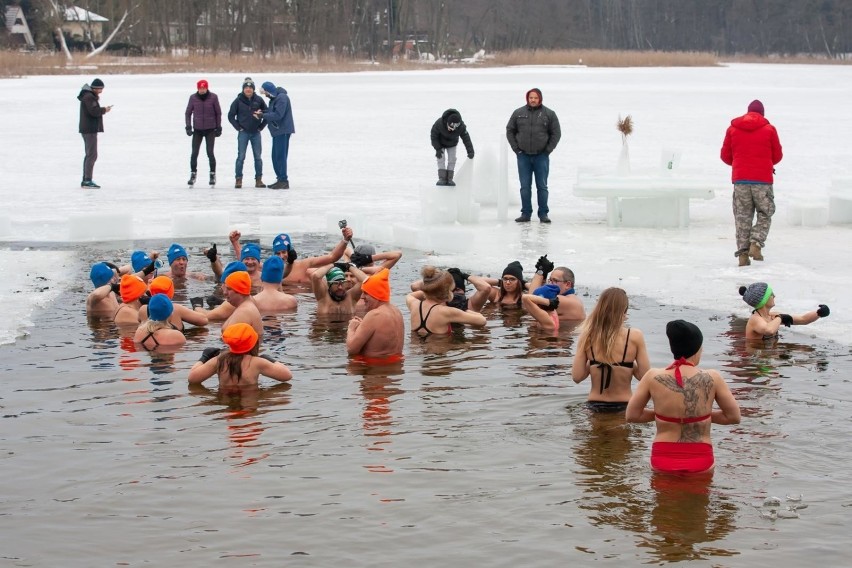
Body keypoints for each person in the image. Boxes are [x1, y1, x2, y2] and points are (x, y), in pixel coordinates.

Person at [626, 320, 741, 475]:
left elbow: (632, 415)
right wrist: (699, 416)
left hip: (663, 456)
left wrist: (664, 416)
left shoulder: (652, 376)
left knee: (663, 498)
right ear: (697, 349)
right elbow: (733, 417)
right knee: (699, 499)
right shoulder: (713, 377)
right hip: (700, 457)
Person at [720, 99, 783, 266]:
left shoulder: (733, 129)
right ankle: (755, 243)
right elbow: (777, 156)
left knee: (742, 217)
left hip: (740, 181)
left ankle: (742, 255)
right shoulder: (769, 129)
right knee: (765, 212)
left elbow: (725, 156)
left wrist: (740, 164)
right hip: (762, 181)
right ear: (762, 114)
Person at [571, 288, 650, 412]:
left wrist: (594, 362)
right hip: (625, 406)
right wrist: (626, 365)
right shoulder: (635, 336)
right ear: (625, 311)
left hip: (594, 406)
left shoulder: (587, 336)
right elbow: (645, 376)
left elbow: (577, 377)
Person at [506, 88, 561, 223]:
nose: (533, 100)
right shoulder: (518, 113)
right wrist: (516, 149)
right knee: (525, 186)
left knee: (542, 186)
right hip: (523, 156)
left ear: (540, 98)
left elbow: (556, 133)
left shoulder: (549, 114)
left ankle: (543, 214)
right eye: (531, 97)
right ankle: (526, 213)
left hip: (541, 156)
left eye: (535, 98)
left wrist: (547, 150)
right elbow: (510, 131)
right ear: (527, 98)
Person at [188, 323, 292, 387]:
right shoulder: (256, 362)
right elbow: (287, 375)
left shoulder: (219, 361)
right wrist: (271, 360)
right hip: (249, 402)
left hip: (225, 402)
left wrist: (204, 357)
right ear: (254, 343)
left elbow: (192, 379)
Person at [406, 266, 486, 337]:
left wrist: (430, 288)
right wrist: (463, 309)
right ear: (446, 292)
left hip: (417, 349)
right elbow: (482, 321)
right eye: (452, 290)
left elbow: (411, 295)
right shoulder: (447, 312)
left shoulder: (414, 304)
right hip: (439, 350)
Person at [739, 282, 830, 341]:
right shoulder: (755, 319)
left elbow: (803, 319)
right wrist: (780, 318)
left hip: (769, 356)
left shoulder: (773, 316)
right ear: (763, 300)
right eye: (771, 294)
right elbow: (768, 330)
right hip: (757, 361)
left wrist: (819, 313)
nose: (774, 296)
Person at [346, 268, 404, 359]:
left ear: (375, 294)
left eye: (366, 293)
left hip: (375, 368)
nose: (362, 297)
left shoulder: (374, 315)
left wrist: (351, 329)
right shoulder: (397, 311)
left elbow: (351, 350)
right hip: (396, 367)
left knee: (351, 368)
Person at [227, 77, 267, 188]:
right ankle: (238, 179)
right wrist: (238, 127)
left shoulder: (259, 100)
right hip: (243, 133)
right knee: (241, 157)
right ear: (243, 89)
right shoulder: (238, 101)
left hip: (256, 133)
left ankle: (259, 180)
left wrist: (261, 126)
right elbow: (230, 116)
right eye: (246, 88)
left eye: (250, 88)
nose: (248, 90)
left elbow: (267, 114)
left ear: (253, 89)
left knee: (258, 157)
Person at [523, 256, 586, 322]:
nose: (550, 284)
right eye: (550, 280)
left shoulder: (565, 301)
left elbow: (531, 301)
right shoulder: (572, 299)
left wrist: (540, 272)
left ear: (567, 284)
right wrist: (524, 284)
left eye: (555, 281)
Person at [185, 79, 222, 187]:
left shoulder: (213, 97)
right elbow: (188, 113)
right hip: (198, 130)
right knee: (194, 153)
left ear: (207, 88)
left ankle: (212, 174)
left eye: (204, 88)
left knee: (210, 152)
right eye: (200, 88)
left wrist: (218, 127)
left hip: (210, 129)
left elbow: (218, 113)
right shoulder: (193, 98)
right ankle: (193, 174)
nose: (202, 90)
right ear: (198, 88)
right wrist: (188, 126)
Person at [258, 81, 295, 190]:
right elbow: (272, 111)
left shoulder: (282, 98)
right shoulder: (275, 99)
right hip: (277, 131)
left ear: (269, 90)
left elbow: (278, 115)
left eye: (265, 93)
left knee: (280, 156)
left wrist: (262, 115)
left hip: (282, 131)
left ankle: (283, 180)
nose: (265, 95)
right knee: (275, 156)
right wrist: (263, 112)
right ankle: (280, 178)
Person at [139, 275, 208, 331]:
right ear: (171, 293)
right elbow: (204, 320)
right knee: (202, 333)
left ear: (151, 291)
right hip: (174, 342)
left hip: (151, 343)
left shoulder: (143, 309)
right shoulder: (176, 309)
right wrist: (197, 306)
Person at [78, 78, 113, 188]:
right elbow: (93, 112)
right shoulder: (89, 97)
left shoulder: (89, 96)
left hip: (88, 129)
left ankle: (86, 179)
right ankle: (87, 180)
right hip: (89, 130)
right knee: (92, 155)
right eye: (100, 89)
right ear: (95, 88)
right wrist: (104, 110)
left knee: (90, 155)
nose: (101, 91)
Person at [431, 108, 474, 187]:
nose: (450, 130)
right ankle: (442, 178)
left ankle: (450, 178)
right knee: (441, 157)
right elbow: (434, 136)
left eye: (453, 129)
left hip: (452, 144)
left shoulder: (461, 127)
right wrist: (437, 148)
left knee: (452, 159)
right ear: (447, 123)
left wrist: (470, 151)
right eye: (450, 128)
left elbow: (466, 138)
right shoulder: (439, 123)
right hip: (440, 143)